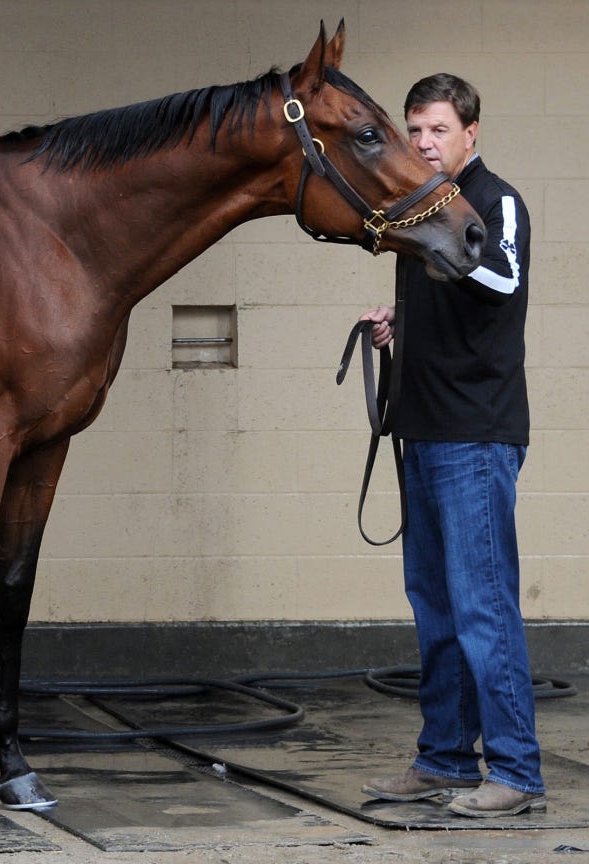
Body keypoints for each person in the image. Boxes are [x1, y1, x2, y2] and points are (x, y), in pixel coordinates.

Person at [358, 73, 544, 818]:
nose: (424, 142)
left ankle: (517, 772)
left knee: (483, 610)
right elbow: (453, 314)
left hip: (476, 436)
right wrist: (398, 324)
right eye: (414, 130)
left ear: (471, 133)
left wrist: (438, 249)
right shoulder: (423, 208)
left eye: (438, 129)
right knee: (436, 610)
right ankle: (444, 760)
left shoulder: (494, 202)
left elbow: (504, 283)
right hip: (425, 431)